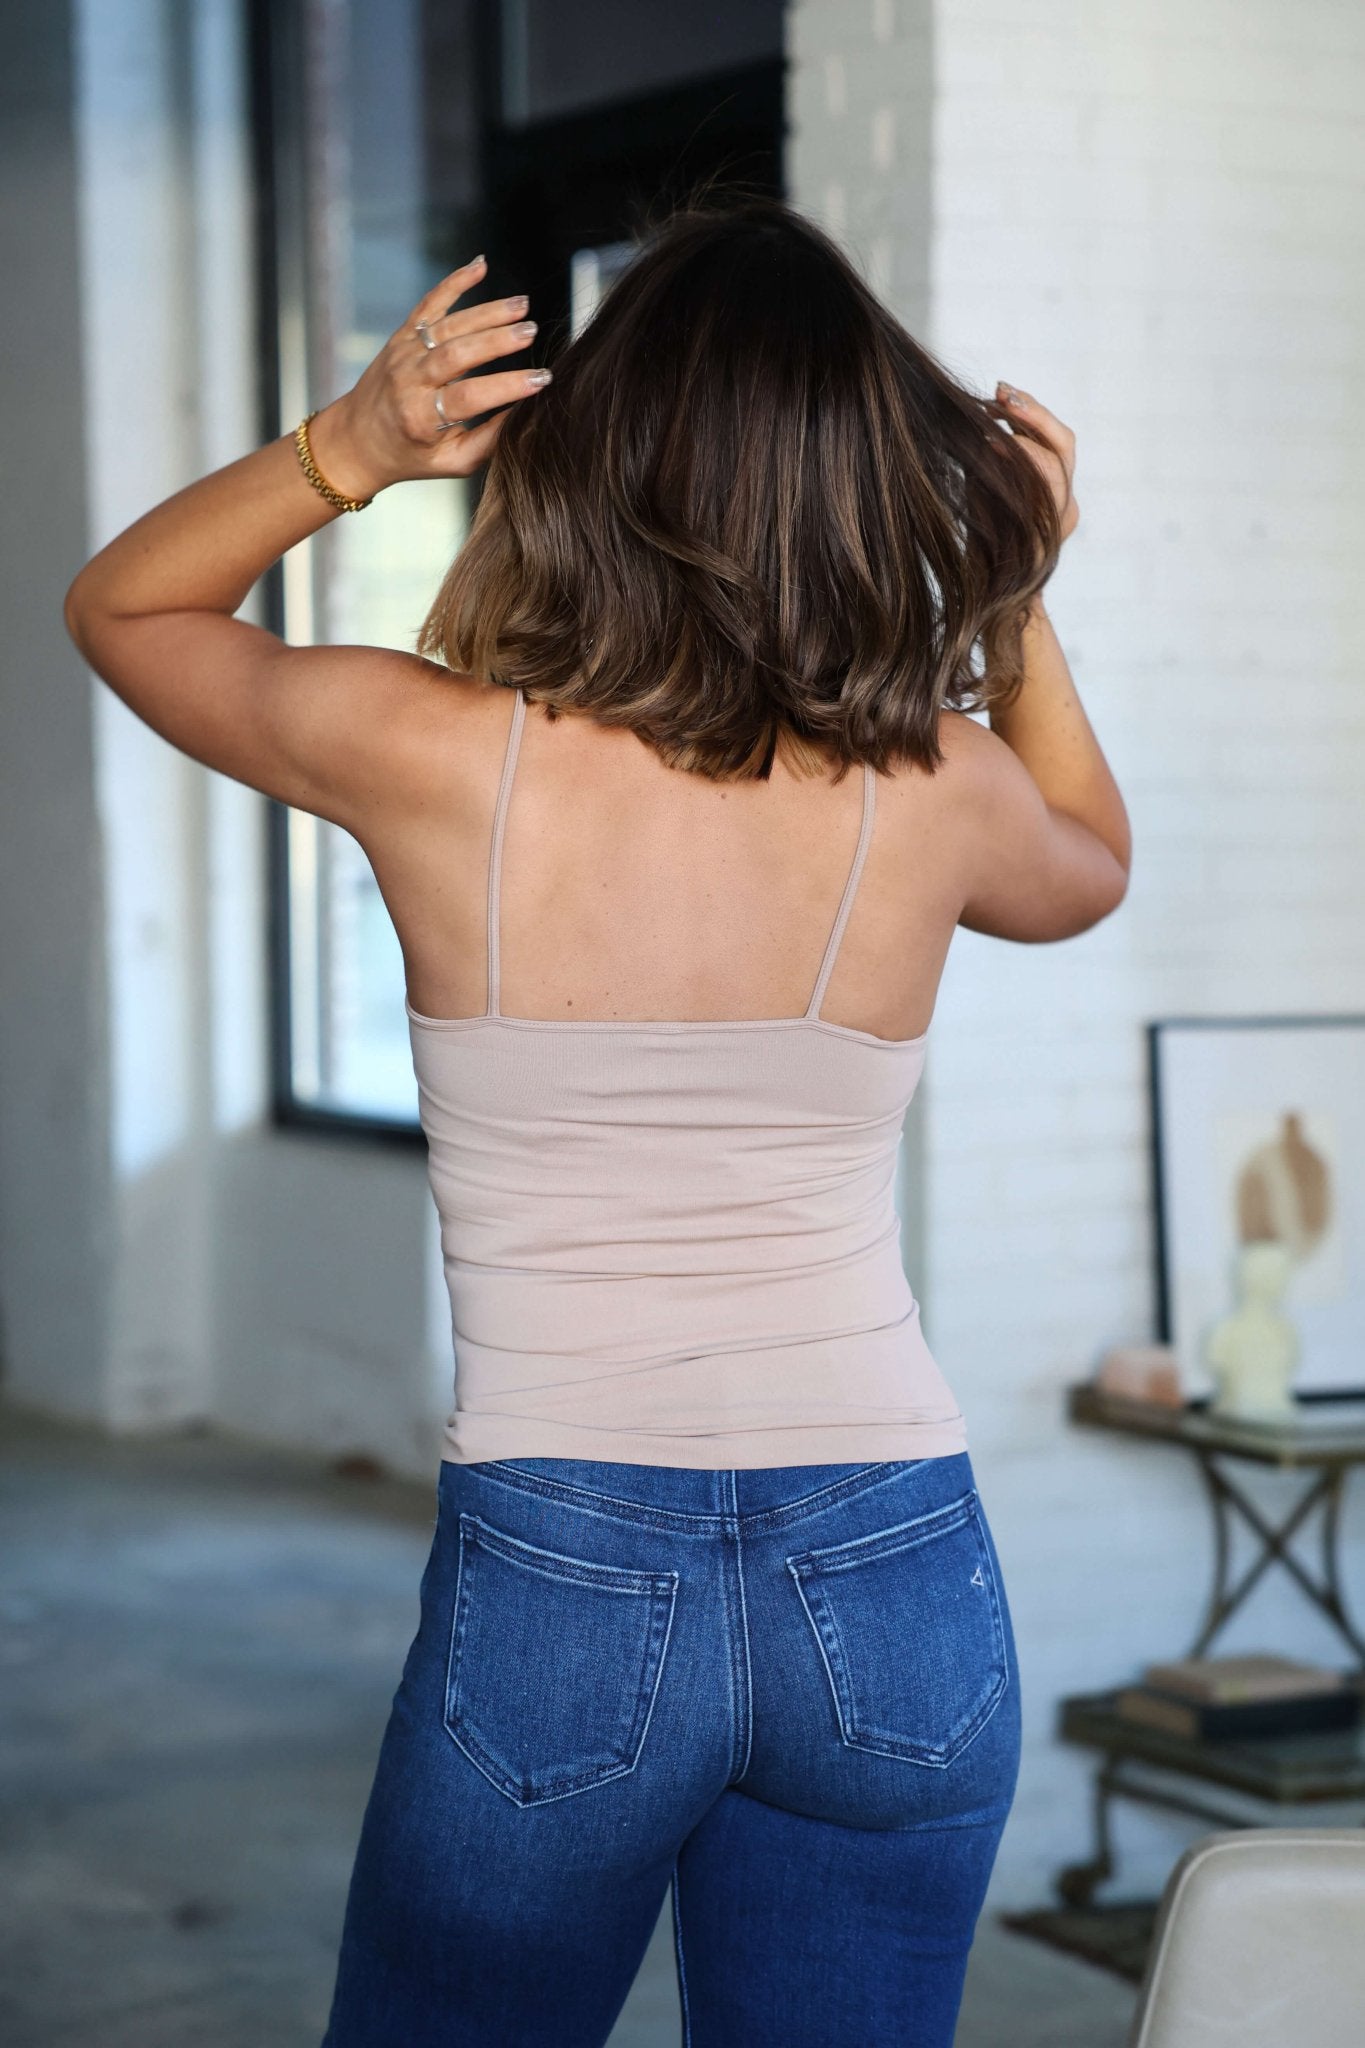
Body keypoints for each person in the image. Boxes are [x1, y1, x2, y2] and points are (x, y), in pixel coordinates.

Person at [65, 191, 1130, 2047]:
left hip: (563, 1566)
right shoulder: (937, 785)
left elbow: (128, 607)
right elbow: (1092, 868)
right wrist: (1012, 604)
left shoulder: (432, 757)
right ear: (875, 483)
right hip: (892, 1565)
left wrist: (354, 447)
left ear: (590, 465)